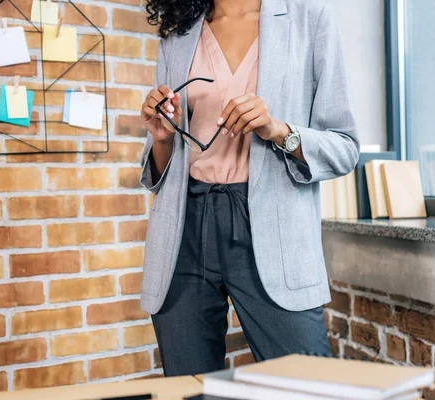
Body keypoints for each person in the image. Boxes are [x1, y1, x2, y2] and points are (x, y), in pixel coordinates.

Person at [138, 0, 360, 377]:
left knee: (306, 385)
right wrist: (160, 137)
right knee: (189, 389)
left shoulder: (310, 18)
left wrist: (279, 131)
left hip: (272, 231)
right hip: (183, 234)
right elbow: (162, 166)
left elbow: (345, 147)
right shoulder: (180, 29)